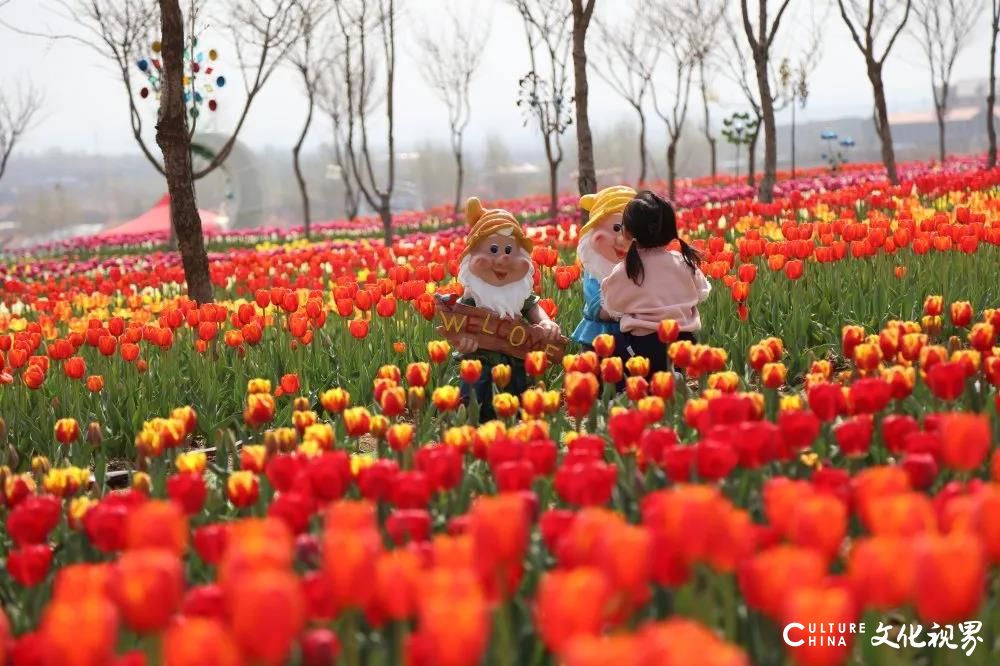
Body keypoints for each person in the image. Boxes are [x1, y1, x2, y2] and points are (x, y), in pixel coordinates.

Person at [455, 197, 562, 421]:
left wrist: (544, 322)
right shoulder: (472, 299)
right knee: (478, 389)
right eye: (493, 249)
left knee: (517, 389)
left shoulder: (519, 295)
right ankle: (477, 418)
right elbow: (459, 327)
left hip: (515, 356)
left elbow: (532, 307)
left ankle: (514, 417)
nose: (503, 259)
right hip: (481, 359)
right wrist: (463, 342)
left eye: (509, 251)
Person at [600, 190, 710, 376]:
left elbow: (611, 308)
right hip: (685, 342)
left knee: (605, 353)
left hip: (644, 348)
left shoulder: (627, 270)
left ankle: (619, 394)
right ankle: (676, 379)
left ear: (627, 232)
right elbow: (702, 293)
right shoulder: (683, 262)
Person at [571, 185, 636, 351]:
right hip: (598, 334)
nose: (622, 240)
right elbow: (597, 307)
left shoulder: (642, 268)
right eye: (616, 228)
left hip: (632, 334)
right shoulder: (594, 271)